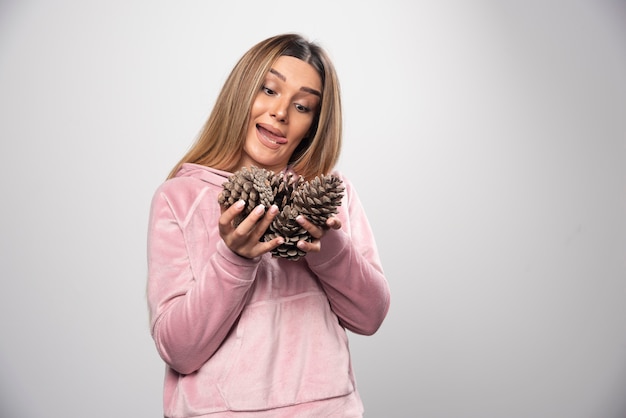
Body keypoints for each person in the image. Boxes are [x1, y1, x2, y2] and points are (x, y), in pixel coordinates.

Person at [146, 33, 391, 418]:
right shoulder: (178, 198)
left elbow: (371, 315)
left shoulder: (332, 193)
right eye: (269, 90)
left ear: (313, 124)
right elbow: (179, 349)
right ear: (241, 92)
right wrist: (235, 259)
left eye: (302, 105)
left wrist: (327, 244)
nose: (281, 113)